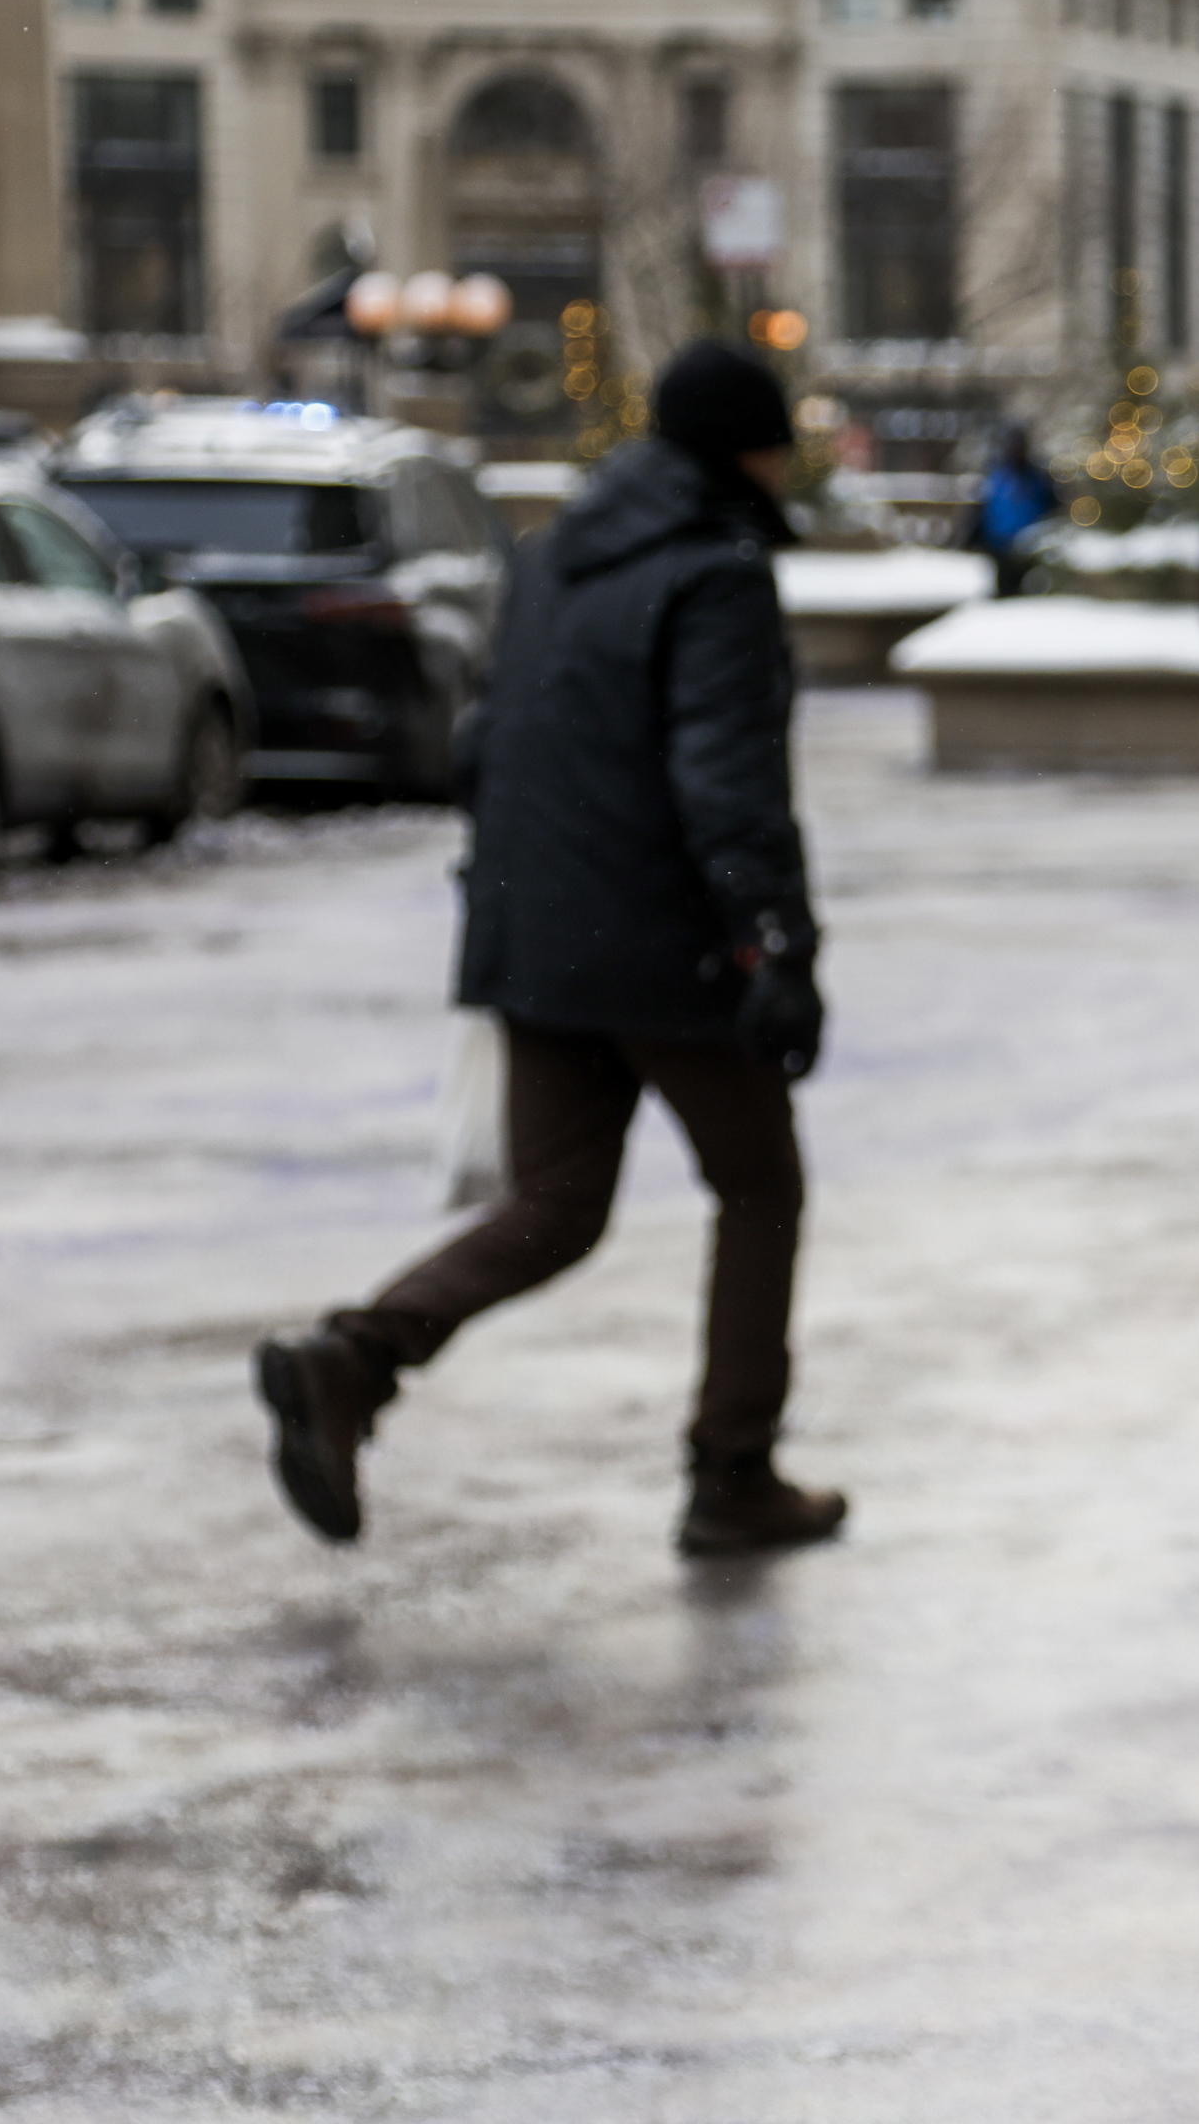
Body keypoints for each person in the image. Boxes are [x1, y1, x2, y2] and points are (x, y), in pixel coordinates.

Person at [251, 338, 846, 1556]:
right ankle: (732, 1472)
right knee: (761, 1186)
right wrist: (772, 940)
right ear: (750, 449)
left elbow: (487, 742)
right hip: (662, 940)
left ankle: (356, 1357)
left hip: (537, 926)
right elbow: (723, 775)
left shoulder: (559, 550)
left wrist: (513, 915)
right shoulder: (714, 570)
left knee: (560, 1202)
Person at [973, 424, 1059, 598]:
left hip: (1030, 548)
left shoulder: (1038, 477)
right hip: (1000, 546)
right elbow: (982, 508)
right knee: (1005, 594)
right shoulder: (996, 476)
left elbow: (1052, 507)